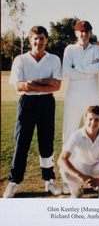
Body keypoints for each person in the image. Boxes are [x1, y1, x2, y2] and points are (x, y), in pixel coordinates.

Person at [3, 26, 62, 198]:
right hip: (27, 102)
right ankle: (14, 182)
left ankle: (49, 180)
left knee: (46, 142)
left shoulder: (54, 59)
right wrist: (45, 82)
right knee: (21, 143)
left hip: (46, 102)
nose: (38, 42)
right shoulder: (20, 60)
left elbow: (56, 86)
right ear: (30, 40)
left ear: (46, 40)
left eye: (42, 38)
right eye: (35, 38)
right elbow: (19, 86)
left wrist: (33, 84)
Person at [61, 20, 99, 193]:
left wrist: (77, 68)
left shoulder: (96, 49)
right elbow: (66, 72)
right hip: (73, 98)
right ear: (76, 33)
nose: (84, 34)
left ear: (90, 33)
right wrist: (88, 68)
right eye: (81, 31)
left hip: (92, 99)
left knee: (94, 136)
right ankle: (67, 181)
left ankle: (97, 178)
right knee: (69, 135)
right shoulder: (69, 49)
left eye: (87, 31)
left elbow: (98, 68)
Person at [58, 106, 99, 198]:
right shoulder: (76, 135)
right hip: (81, 166)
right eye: (90, 119)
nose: (93, 123)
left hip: (98, 166)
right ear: (85, 120)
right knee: (64, 169)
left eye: (96, 120)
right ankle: (77, 190)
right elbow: (61, 160)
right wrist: (81, 176)